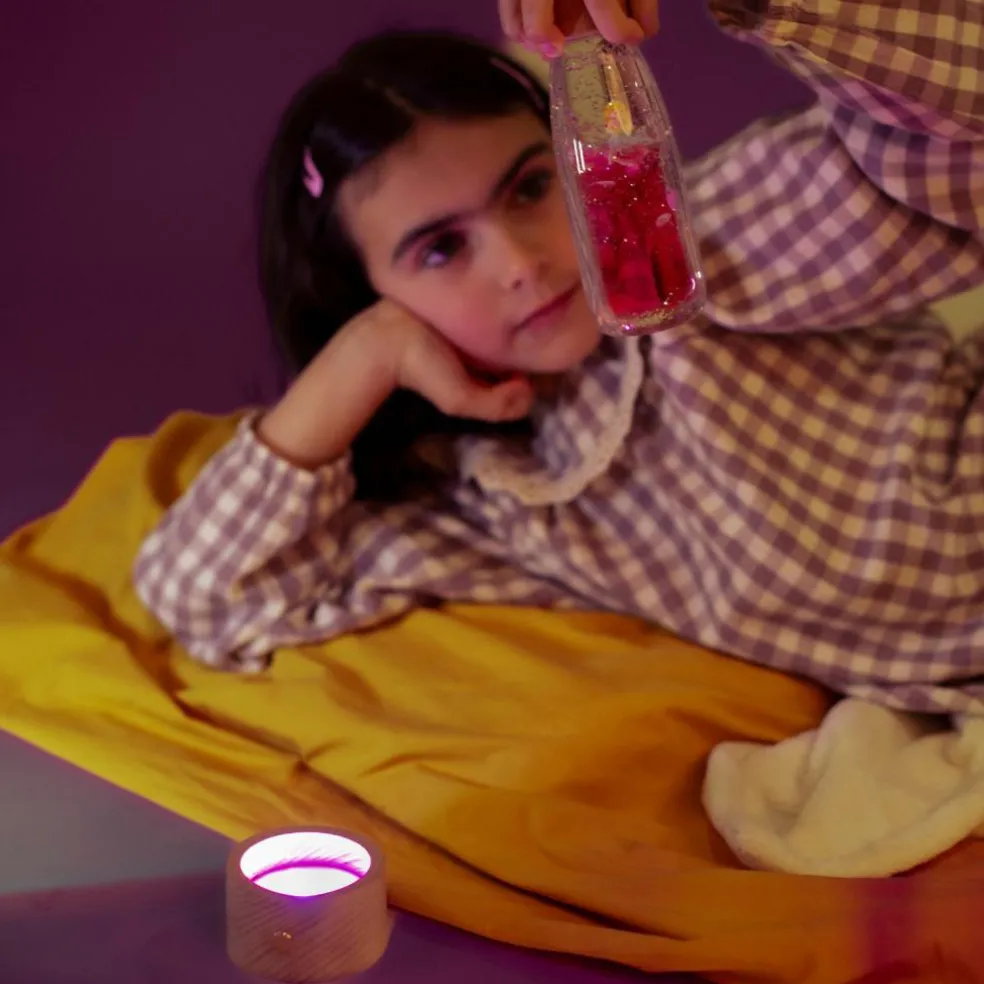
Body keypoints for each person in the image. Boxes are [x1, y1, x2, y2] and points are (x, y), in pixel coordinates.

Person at [134, 0, 984, 715]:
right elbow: (203, 598)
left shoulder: (692, 246)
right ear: (372, 300)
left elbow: (958, 151)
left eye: (532, 187)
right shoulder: (487, 500)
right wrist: (363, 357)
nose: (519, 262)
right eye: (440, 250)